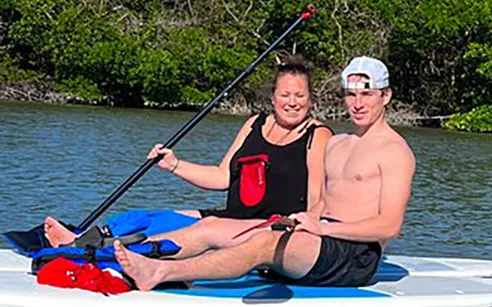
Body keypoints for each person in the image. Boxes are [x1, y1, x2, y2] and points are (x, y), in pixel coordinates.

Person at [113, 56, 416, 290]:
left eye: (367, 94)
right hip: (318, 240)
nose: (358, 104)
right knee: (214, 227)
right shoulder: (338, 144)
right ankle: (114, 259)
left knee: (262, 244)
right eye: (350, 95)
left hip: (353, 256)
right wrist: (303, 221)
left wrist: (323, 229)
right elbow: (321, 203)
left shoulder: (393, 150)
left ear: (385, 96)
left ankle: (159, 272)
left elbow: (388, 226)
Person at [42, 55, 333, 248]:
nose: (292, 102)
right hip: (227, 217)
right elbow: (222, 177)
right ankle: (82, 240)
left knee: (169, 236)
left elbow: (319, 201)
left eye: (300, 95)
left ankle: (94, 251)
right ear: (273, 97)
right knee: (144, 218)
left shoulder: (317, 136)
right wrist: (175, 165)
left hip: (263, 229)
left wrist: (299, 231)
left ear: (310, 98)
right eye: (285, 95)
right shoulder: (254, 123)